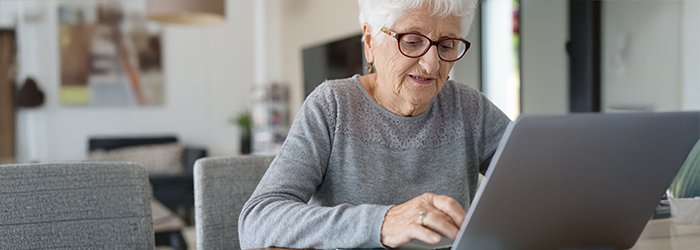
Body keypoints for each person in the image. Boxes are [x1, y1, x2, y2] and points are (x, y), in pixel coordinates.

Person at [238, 0, 511, 248]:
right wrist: (383, 222)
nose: (431, 64)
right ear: (370, 41)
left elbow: (543, 183)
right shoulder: (332, 106)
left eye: (446, 45)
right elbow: (257, 221)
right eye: (413, 41)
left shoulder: (469, 108)